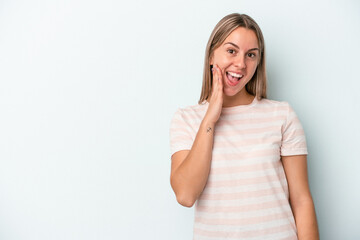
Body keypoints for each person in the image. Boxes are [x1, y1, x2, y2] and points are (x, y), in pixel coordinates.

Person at [169, 13, 319, 239]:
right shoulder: (187, 119)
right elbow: (186, 194)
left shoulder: (281, 115)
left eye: (251, 55)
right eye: (231, 51)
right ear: (211, 55)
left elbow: (301, 200)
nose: (240, 64)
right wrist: (210, 118)